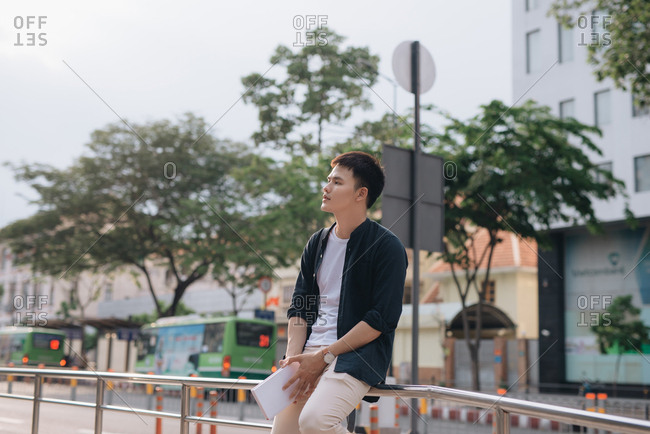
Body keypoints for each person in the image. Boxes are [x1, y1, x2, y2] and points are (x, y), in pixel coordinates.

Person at [271, 151, 408, 434]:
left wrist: (323, 357)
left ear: (361, 194)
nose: (326, 187)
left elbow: (380, 319)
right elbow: (300, 308)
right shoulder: (317, 242)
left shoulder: (387, 247)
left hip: (355, 355)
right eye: (328, 180)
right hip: (309, 353)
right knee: (283, 430)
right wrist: (293, 360)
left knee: (315, 422)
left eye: (336, 182)